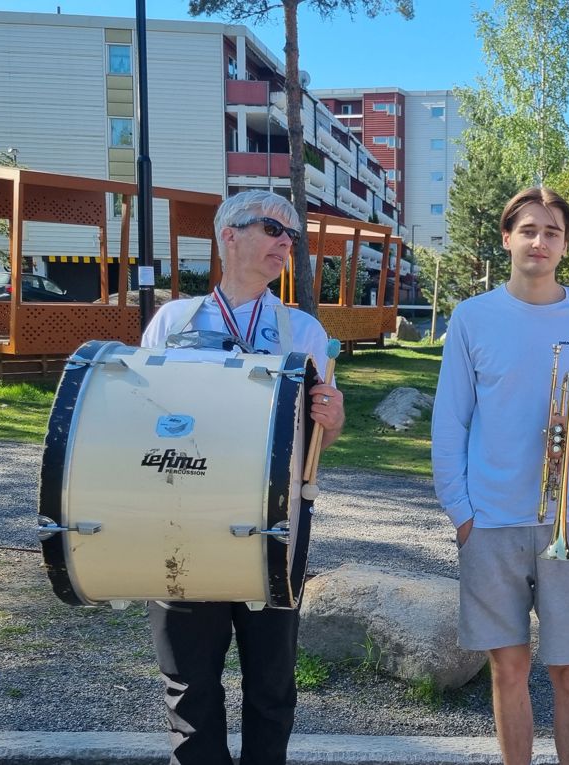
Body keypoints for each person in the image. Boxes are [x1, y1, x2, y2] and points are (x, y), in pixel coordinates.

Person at [139, 190, 346, 765]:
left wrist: (332, 421)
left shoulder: (302, 331)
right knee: (188, 683)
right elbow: (143, 422)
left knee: (272, 683)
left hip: (275, 520)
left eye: (292, 235)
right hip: (182, 519)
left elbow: (319, 441)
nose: (286, 243)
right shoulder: (172, 322)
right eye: (273, 229)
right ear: (228, 235)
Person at [431, 187, 569, 765]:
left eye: (551, 232)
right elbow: (450, 420)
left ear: (565, 245)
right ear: (507, 239)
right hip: (490, 522)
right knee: (508, 668)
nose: (539, 241)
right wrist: (461, 513)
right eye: (528, 230)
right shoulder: (472, 317)